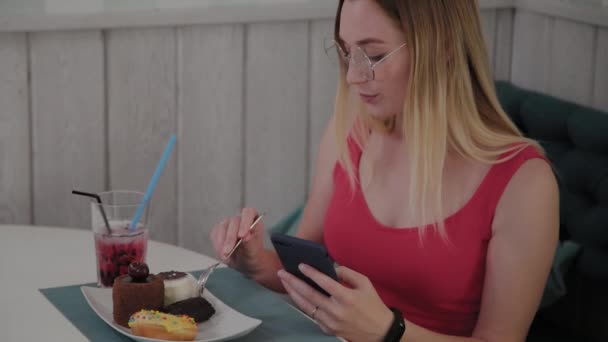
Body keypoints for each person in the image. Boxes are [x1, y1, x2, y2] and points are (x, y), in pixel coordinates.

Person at [209, 0, 559, 341]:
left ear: (444, 47)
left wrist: (390, 332)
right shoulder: (348, 131)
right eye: (347, 53)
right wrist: (254, 261)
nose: (353, 76)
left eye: (374, 55)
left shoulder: (524, 182)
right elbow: (306, 277)